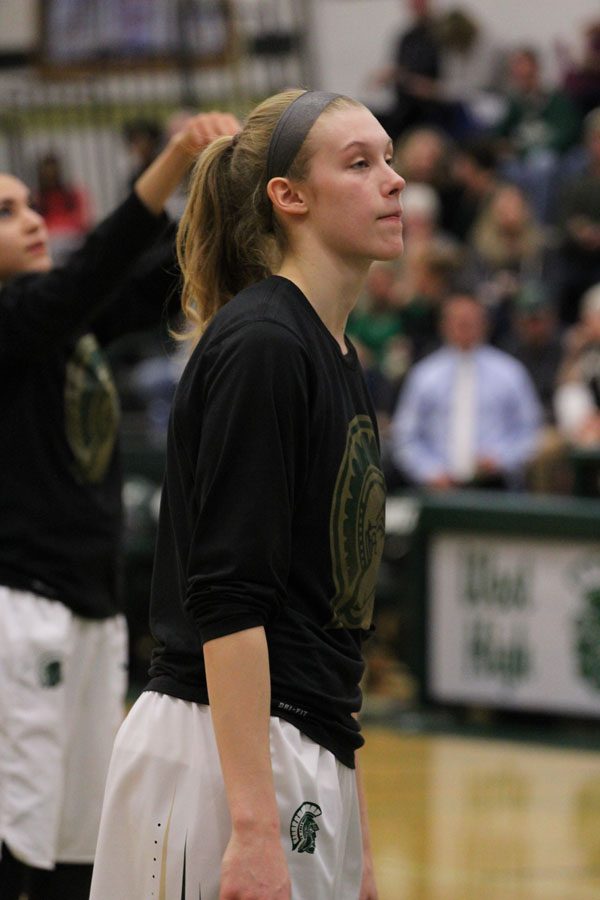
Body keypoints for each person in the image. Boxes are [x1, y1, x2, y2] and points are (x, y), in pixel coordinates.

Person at [89, 88, 405, 900]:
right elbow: (230, 599)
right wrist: (256, 827)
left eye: (391, 158)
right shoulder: (265, 344)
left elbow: (331, 616)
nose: (394, 180)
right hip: (225, 759)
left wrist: (353, 826)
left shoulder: (331, 351)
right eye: (361, 163)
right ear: (288, 197)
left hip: (299, 747)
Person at [0, 111, 240, 900]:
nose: (33, 218)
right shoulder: (15, 321)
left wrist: (219, 194)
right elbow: (96, 267)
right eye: (6, 212)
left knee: (78, 837)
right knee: (18, 830)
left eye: (30, 204)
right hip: (22, 608)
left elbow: (142, 280)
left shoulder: (61, 318)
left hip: (92, 608)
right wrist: (173, 157)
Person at [391, 292, 542, 490]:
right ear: (443, 325)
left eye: (471, 321)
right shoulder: (424, 375)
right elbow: (405, 435)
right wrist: (429, 471)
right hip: (436, 486)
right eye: (458, 321)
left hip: (496, 484)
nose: (464, 326)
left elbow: (530, 431)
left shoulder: (510, 372)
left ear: (485, 324)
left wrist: (501, 459)